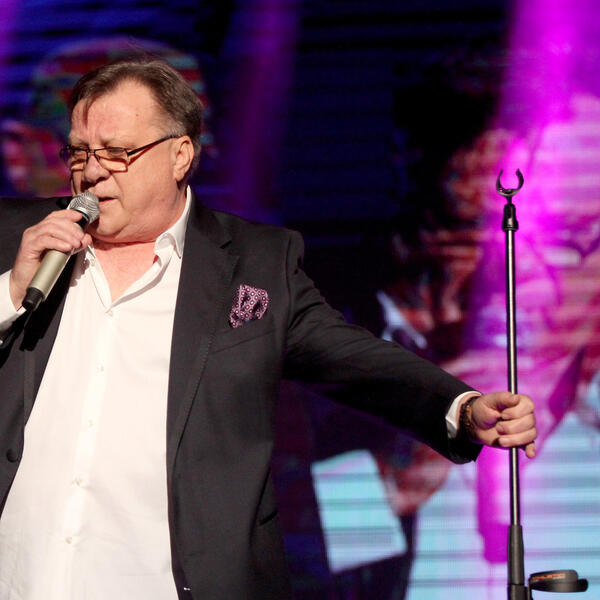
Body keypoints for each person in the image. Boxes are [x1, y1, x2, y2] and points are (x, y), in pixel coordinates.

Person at [0, 58, 536, 600]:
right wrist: (11, 291)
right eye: (79, 153)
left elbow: (354, 359)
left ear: (180, 155)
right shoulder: (17, 238)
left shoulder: (252, 264)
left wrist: (460, 407)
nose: (91, 172)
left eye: (116, 152)